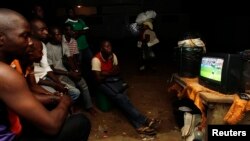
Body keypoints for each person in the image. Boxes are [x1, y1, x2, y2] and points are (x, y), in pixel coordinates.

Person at [0, 8, 90, 141]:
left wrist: (53, 97)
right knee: (81, 122)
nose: (30, 42)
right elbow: (52, 126)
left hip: (15, 125)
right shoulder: (5, 73)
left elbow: (27, 93)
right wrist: (64, 101)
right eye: (24, 36)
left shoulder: (13, 65)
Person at [91, 39, 161, 135]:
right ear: (101, 49)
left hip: (112, 80)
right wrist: (110, 73)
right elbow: (98, 79)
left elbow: (117, 70)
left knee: (123, 100)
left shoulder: (113, 56)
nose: (109, 48)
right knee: (121, 98)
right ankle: (145, 120)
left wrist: (106, 73)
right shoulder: (96, 59)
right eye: (106, 47)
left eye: (110, 46)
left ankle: (139, 126)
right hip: (101, 84)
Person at [46, 26, 97, 115]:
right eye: (57, 35)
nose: (59, 37)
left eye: (60, 34)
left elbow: (70, 59)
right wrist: (69, 73)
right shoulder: (47, 48)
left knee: (83, 83)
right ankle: (71, 108)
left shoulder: (62, 43)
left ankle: (89, 106)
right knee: (73, 87)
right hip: (58, 75)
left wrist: (76, 71)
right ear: (51, 36)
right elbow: (52, 69)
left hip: (67, 71)